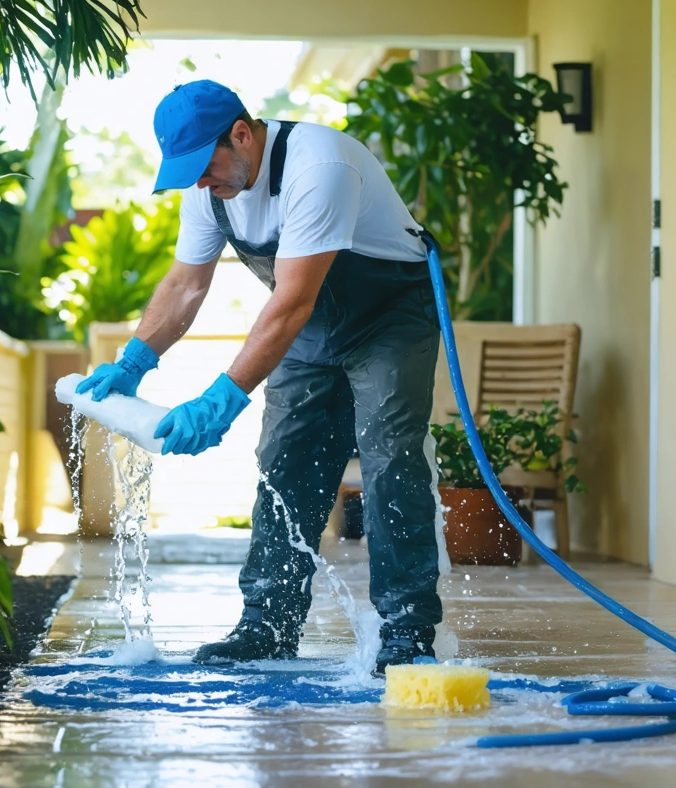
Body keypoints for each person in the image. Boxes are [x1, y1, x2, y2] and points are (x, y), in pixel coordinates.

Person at [75, 79, 443, 675]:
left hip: (389, 319)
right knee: (285, 460)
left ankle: (406, 632)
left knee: (388, 454)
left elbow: (291, 300)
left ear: (241, 135)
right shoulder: (210, 191)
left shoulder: (318, 165)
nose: (199, 182)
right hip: (309, 323)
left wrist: (224, 396)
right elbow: (185, 286)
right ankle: (267, 626)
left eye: (205, 165)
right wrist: (135, 360)